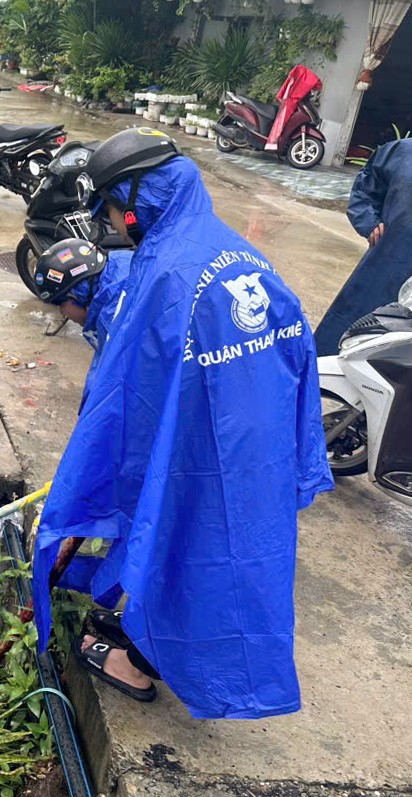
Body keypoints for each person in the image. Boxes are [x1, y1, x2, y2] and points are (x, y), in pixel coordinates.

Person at [33, 128, 333, 718]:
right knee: (239, 555)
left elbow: (122, 396)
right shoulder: (240, 251)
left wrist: (87, 490)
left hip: (201, 443)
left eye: (115, 212)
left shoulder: (163, 272)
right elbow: (300, 353)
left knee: (181, 545)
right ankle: (168, 645)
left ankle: (140, 666)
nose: (117, 226)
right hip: (262, 441)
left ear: (138, 203)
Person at [313, 138, 412, 356]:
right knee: (341, 345)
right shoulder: (401, 152)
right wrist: (369, 221)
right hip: (384, 269)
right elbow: (366, 189)